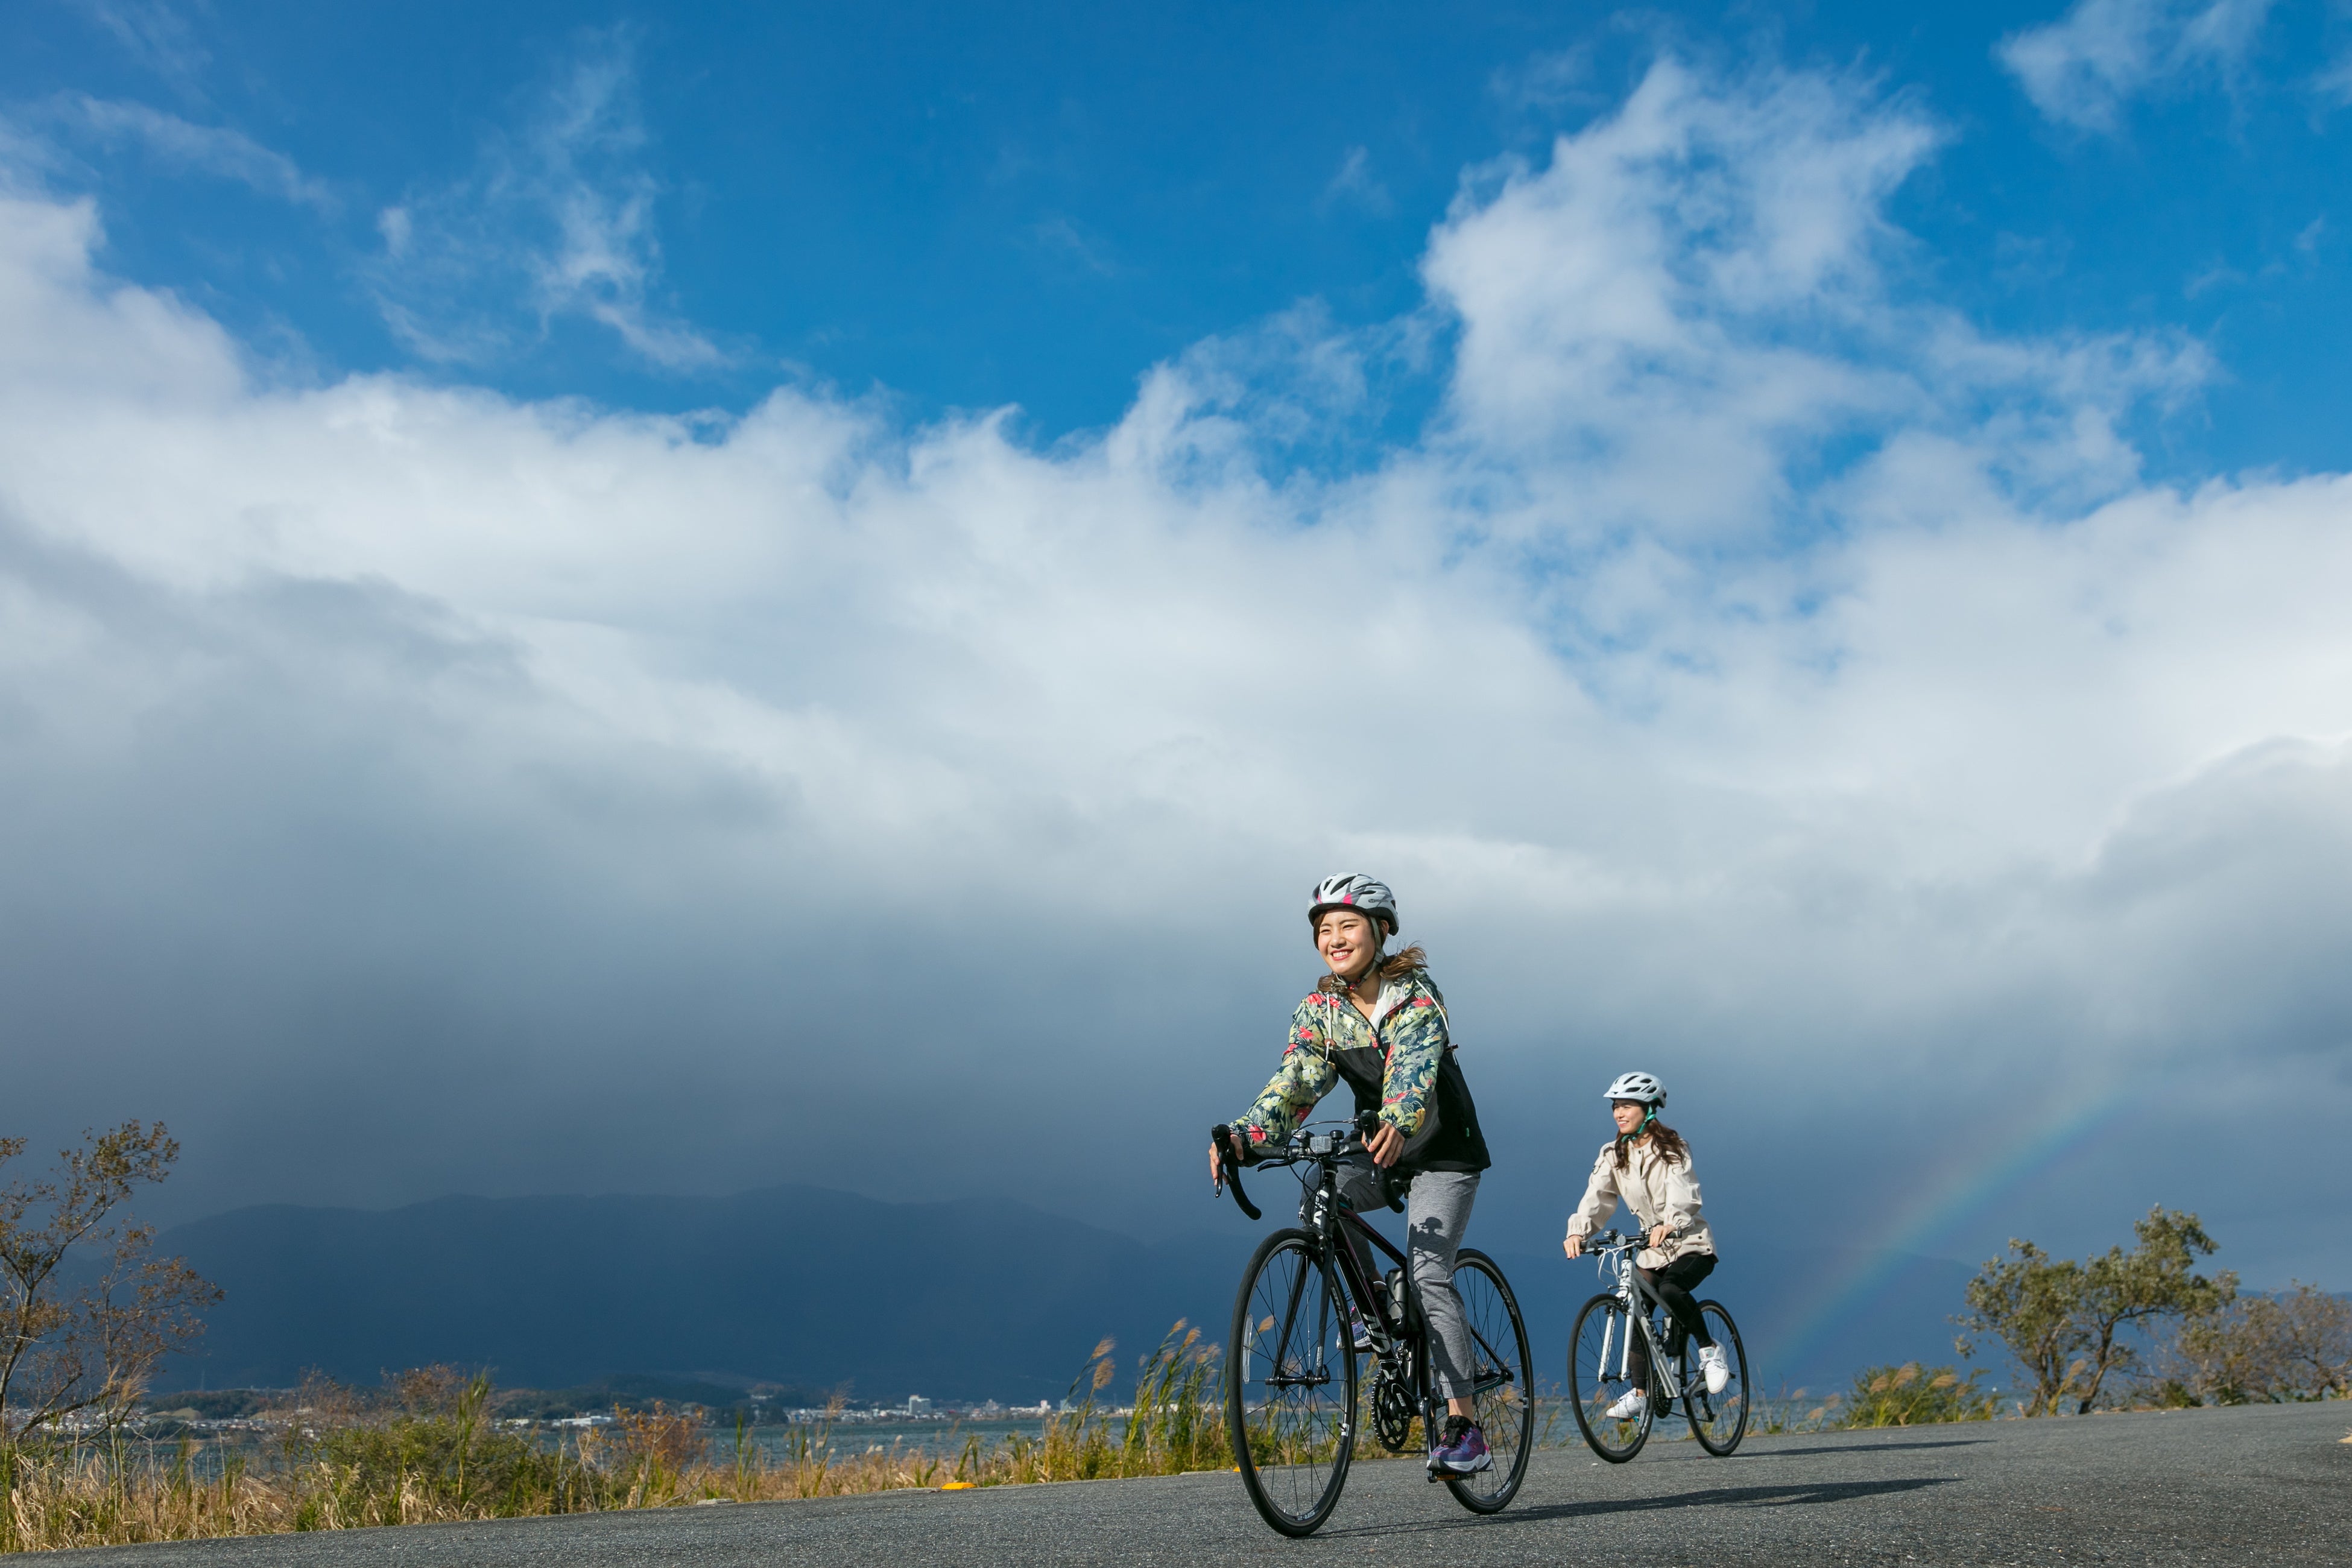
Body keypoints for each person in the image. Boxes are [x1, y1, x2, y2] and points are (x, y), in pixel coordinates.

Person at [1209, 874, 1494, 1475]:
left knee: (1427, 1271)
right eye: (1324, 929)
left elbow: (1414, 1067)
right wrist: (1243, 1136)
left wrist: (1397, 1114)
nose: (1334, 938)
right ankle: (1374, 1315)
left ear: (1380, 929)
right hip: (1381, 1148)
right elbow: (1294, 1085)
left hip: (1442, 1149)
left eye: (1347, 925)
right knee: (1321, 1189)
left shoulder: (1416, 993)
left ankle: (1465, 1424)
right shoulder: (1320, 1011)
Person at [1562, 1071, 1727, 1418]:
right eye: (1615, 1107)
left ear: (1649, 1109)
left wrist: (1671, 1222)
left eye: (1627, 1106)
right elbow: (1598, 1197)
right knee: (1635, 1307)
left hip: (1690, 1242)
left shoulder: (1672, 1149)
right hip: (1651, 1249)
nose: (1619, 1113)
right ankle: (1640, 1391)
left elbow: (1684, 1192)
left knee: (1670, 1290)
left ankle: (1710, 1350)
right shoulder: (1613, 1154)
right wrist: (1579, 1230)